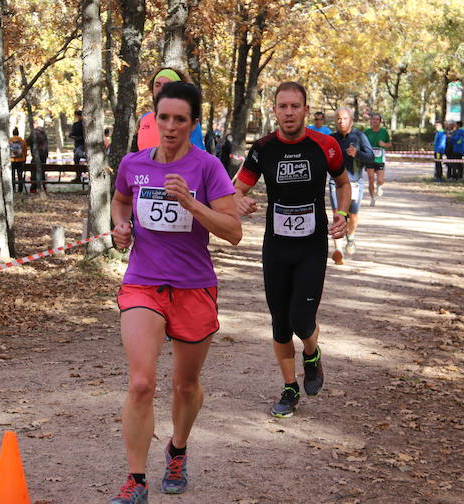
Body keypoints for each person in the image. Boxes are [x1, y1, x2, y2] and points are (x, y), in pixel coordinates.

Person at [109, 81, 240, 503]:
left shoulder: (208, 168)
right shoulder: (133, 164)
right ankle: (136, 482)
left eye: (179, 120)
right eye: (162, 118)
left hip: (193, 287)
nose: (169, 127)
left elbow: (233, 232)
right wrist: (121, 228)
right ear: (153, 119)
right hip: (143, 284)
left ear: (192, 124)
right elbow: (120, 201)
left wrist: (192, 204)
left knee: (186, 385)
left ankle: (178, 449)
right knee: (142, 382)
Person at [233, 81, 349, 418]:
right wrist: (239, 200)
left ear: (305, 109)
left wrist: (342, 215)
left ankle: (312, 355)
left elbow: (342, 183)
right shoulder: (264, 148)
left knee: (301, 318)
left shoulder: (324, 145)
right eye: (282, 107)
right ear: (274, 110)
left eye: (294, 106)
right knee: (280, 324)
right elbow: (236, 188)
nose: (288, 113)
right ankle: (289, 388)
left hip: (311, 246)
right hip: (276, 247)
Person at [329, 107, 374, 262]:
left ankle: (351, 236)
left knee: (352, 215)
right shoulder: (331, 138)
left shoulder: (359, 136)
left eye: (345, 118)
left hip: (354, 182)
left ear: (351, 121)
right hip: (336, 183)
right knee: (338, 214)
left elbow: (371, 157)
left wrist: (357, 154)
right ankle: (338, 249)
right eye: (339, 119)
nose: (341, 121)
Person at [136, 68, 206, 152]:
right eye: (157, 85)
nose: (161, 89)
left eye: (167, 85)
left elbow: (198, 157)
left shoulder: (188, 121)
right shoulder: (144, 119)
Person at [363, 112, 391, 206]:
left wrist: (384, 144)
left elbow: (389, 144)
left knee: (380, 180)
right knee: (371, 179)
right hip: (370, 159)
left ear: (380, 121)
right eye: (373, 119)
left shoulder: (384, 132)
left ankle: (379, 186)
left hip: (380, 159)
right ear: (371, 121)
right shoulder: (367, 132)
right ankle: (372, 198)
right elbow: (362, 143)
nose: (375, 121)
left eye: (377, 119)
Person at [27, 123, 49, 193]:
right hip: (44, 155)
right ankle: (43, 187)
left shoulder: (34, 133)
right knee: (42, 170)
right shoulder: (44, 134)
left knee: (33, 171)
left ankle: (33, 187)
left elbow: (27, 142)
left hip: (36, 155)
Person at [9, 127, 27, 193]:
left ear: (13, 133)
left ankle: (13, 189)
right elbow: (25, 151)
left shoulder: (10, 141)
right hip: (20, 160)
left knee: (12, 175)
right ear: (18, 133)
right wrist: (24, 158)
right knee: (20, 175)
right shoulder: (22, 141)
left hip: (12, 160)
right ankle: (20, 189)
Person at [69, 109, 86, 181]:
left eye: (79, 116)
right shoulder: (75, 125)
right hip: (77, 145)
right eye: (78, 116)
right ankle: (78, 176)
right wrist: (76, 138)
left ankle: (81, 175)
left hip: (84, 146)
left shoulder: (86, 125)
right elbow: (70, 135)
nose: (79, 117)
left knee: (77, 157)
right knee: (76, 159)